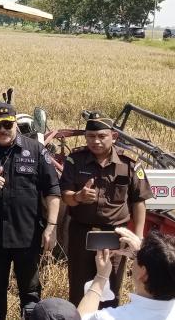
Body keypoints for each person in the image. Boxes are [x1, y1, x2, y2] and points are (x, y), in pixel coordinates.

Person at [0, 102, 61, 320]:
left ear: (15, 122)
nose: (2, 130)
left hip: (27, 236)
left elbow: (53, 190)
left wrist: (52, 227)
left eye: (7, 124)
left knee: (30, 293)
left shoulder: (36, 150)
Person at [60, 113, 153, 308]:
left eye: (102, 136)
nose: (96, 141)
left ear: (114, 136)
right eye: (91, 136)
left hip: (116, 236)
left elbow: (139, 201)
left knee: (111, 290)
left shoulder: (129, 163)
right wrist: (78, 197)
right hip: (82, 233)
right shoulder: (75, 160)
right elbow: (65, 195)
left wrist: (137, 238)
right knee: (79, 288)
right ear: (85, 137)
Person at [77, 227, 175, 320]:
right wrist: (141, 253)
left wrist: (100, 277)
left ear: (143, 274)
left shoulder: (107, 317)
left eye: (136, 257)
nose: (133, 258)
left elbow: (79, 318)